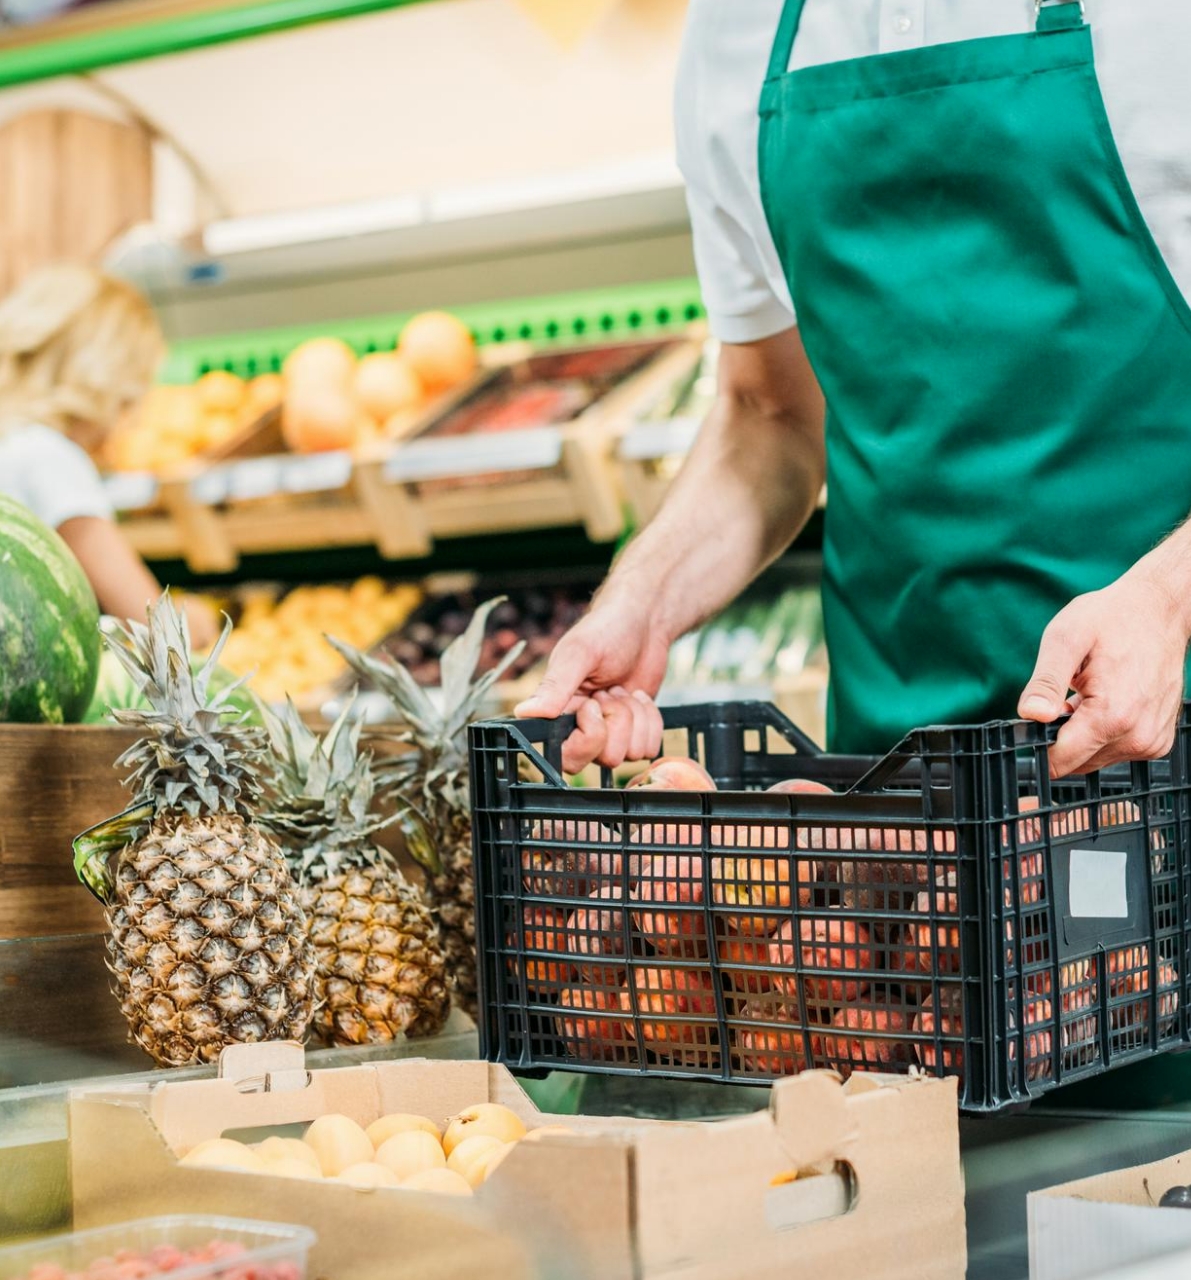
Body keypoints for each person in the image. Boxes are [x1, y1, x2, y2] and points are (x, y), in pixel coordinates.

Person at [518, 0, 1191, 780]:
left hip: (1165, 725)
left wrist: (1168, 597)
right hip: (896, 778)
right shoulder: (734, 36)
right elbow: (767, 413)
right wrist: (643, 603)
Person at [0, 265, 218, 646]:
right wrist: (203, 620)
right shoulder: (47, 456)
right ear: (102, 378)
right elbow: (155, 628)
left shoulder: (11, 443)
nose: (126, 419)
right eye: (128, 399)